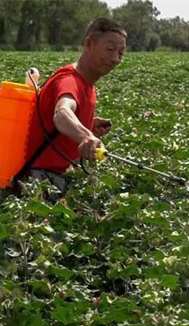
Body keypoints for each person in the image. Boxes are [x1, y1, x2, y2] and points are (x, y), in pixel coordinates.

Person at [24, 18, 127, 201]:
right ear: (89, 44)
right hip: (42, 180)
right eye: (110, 50)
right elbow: (62, 113)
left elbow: (63, 119)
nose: (115, 59)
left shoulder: (88, 85)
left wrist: (89, 125)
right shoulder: (69, 81)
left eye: (120, 53)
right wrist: (85, 136)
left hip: (60, 175)